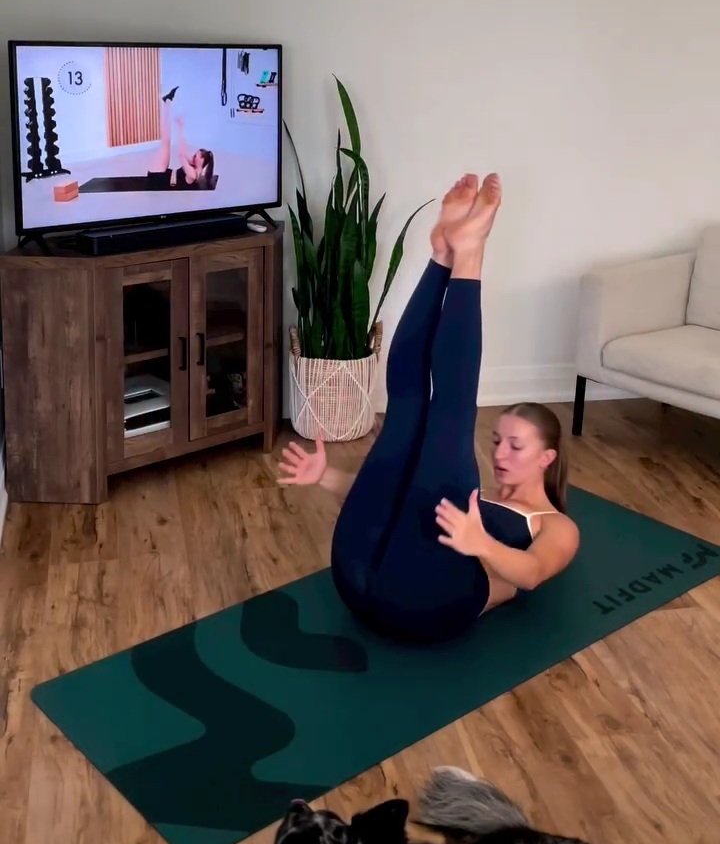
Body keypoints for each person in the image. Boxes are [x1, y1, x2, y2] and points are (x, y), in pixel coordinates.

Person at [277, 173, 580, 643]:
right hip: (355, 578)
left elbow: (533, 573)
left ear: (547, 457)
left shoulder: (555, 525)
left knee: (449, 416)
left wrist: (480, 544)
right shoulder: (479, 498)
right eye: (498, 440)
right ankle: (443, 254)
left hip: (425, 603)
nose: (499, 453)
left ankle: (468, 253)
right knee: (408, 412)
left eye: (516, 445)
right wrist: (326, 477)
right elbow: (392, 498)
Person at [146, 88, 215, 191]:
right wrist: (180, 128)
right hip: (165, 174)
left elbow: (181, 155)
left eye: (195, 156)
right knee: (166, 141)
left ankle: (167, 102)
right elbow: (184, 150)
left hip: (157, 178)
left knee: (165, 141)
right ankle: (167, 102)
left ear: (201, 160)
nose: (193, 157)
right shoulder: (195, 167)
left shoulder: (192, 174)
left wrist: (179, 129)